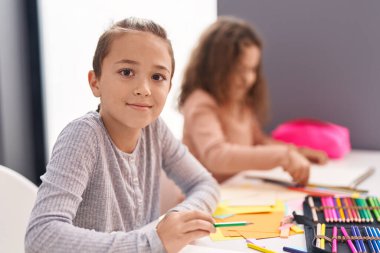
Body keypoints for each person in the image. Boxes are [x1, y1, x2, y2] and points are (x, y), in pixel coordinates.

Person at [25, 17, 219, 253]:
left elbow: (205, 183)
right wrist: (152, 242)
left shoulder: (154, 129)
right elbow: (41, 237)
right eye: (127, 72)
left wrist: (177, 220)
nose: (143, 89)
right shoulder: (83, 136)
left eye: (157, 77)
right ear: (95, 82)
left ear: (168, 87)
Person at [178, 16, 328, 185]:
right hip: (203, 201)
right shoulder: (200, 102)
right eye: (240, 69)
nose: (248, 79)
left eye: (252, 69)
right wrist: (283, 156)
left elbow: (258, 142)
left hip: (236, 191)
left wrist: (296, 152)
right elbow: (216, 155)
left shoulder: (240, 100)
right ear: (216, 67)